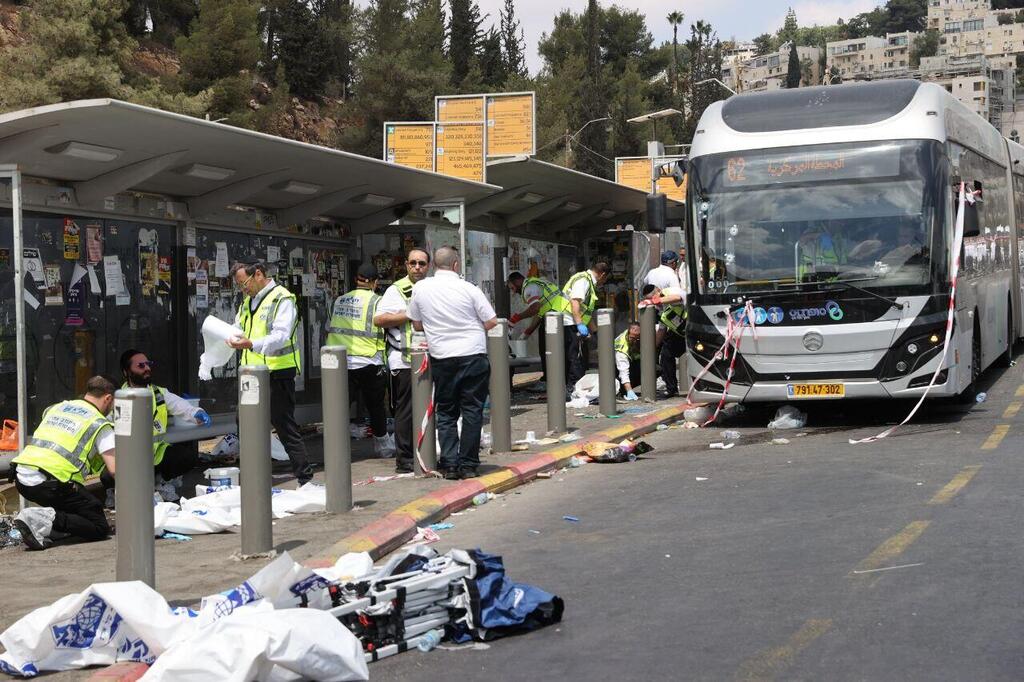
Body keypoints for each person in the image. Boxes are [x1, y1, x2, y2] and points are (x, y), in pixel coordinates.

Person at [407, 246, 497, 480]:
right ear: (456, 265)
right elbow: (491, 321)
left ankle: (450, 465)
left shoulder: (420, 288)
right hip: (473, 355)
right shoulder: (470, 288)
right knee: (472, 410)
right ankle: (469, 465)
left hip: (442, 357)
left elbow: (416, 324)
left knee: (446, 412)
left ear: (433, 265)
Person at [228, 261, 313, 485]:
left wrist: (251, 344)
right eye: (239, 285)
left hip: (277, 371)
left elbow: (281, 335)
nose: (243, 289)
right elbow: (239, 327)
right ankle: (255, 473)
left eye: (244, 283)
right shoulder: (248, 302)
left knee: (283, 423)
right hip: (252, 373)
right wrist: (229, 336)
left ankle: (304, 477)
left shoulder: (282, 298)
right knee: (244, 420)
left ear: (258, 274)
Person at [11, 376, 118, 549]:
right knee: (98, 525)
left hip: (22, 477)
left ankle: (49, 529)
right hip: (49, 484)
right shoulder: (99, 423)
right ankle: (38, 518)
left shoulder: (57, 407)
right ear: (108, 398)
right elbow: (115, 470)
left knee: (81, 508)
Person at [111, 349, 210, 500]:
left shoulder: (159, 393)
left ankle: (159, 484)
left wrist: (196, 412)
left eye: (148, 364)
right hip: (130, 456)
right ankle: (117, 491)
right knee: (108, 473)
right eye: (141, 366)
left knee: (186, 457)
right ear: (126, 372)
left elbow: (180, 405)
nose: (147, 368)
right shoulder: (118, 398)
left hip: (155, 455)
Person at [328, 263, 395, 458]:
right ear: (375, 282)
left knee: (339, 407)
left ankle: (335, 449)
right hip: (369, 360)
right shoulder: (378, 302)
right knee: (375, 406)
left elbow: (329, 327)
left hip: (340, 363)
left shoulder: (339, 301)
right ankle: (383, 446)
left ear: (356, 279)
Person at [374, 249, 430, 473]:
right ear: (406, 265)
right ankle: (404, 459)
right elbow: (379, 319)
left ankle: (426, 452)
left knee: (430, 407)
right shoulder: (396, 290)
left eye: (422, 263)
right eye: (413, 263)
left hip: (431, 356)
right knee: (405, 411)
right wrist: (409, 313)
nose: (417, 267)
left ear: (428, 266)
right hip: (404, 359)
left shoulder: (432, 287)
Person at [506, 271, 573, 383]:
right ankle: (558, 380)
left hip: (557, 316)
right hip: (562, 315)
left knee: (546, 348)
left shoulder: (529, 288)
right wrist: (527, 332)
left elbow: (535, 308)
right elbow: (540, 313)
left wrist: (516, 318)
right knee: (557, 350)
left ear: (518, 281)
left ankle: (550, 381)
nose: (513, 291)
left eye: (512, 288)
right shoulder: (538, 282)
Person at [562, 261, 611, 393]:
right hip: (570, 322)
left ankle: (577, 387)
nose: (604, 282)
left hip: (574, 322)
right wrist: (579, 324)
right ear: (602, 275)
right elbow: (575, 302)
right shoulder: (583, 280)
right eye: (605, 279)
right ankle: (574, 389)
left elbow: (586, 312)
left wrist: (596, 333)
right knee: (575, 358)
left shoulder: (588, 281)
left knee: (581, 357)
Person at [642, 284, 687, 397]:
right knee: (666, 355)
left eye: (653, 298)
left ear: (658, 290)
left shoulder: (669, 291)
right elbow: (662, 330)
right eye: (649, 300)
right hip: (679, 334)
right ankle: (671, 389)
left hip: (694, 327)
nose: (653, 302)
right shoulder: (660, 308)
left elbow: (677, 297)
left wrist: (655, 301)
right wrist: (652, 348)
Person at [614, 322, 643, 401]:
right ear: (629, 332)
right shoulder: (622, 348)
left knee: (656, 369)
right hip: (616, 369)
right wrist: (629, 390)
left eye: (637, 338)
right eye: (632, 338)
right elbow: (623, 371)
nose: (634, 340)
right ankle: (624, 390)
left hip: (629, 362)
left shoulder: (633, 336)